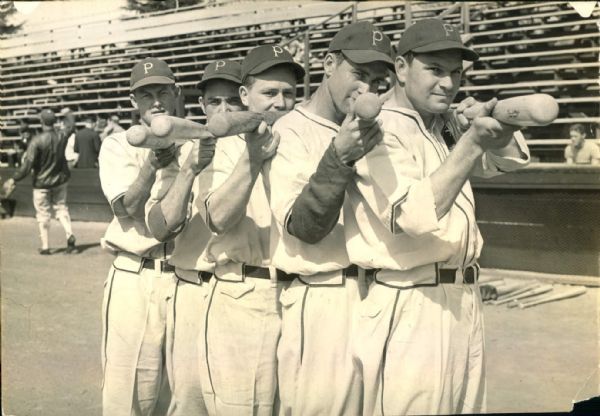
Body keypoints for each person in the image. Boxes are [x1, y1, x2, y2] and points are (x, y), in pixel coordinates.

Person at [345, 18, 530, 415]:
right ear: (400, 68)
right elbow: (412, 217)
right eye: (435, 69)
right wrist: (471, 141)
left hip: (462, 298)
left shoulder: (438, 126)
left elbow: (508, 163)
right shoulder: (378, 127)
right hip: (409, 299)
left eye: (455, 73)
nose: (448, 83)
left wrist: (486, 127)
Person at [268, 21, 392, 415]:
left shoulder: (373, 128)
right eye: (358, 74)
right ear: (328, 64)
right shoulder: (290, 130)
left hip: (376, 295)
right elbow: (304, 228)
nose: (366, 89)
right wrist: (337, 157)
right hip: (321, 295)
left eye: (377, 80)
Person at [193, 46, 303, 415]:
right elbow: (217, 219)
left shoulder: (302, 140)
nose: (281, 103)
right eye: (270, 93)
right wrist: (252, 158)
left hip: (299, 293)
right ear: (245, 96)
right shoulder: (221, 143)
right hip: (242, 291)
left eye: (288, 93)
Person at [143, 58, 243, 415]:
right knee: (188, 401)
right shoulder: (184, 147)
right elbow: (159, 225)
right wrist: (189, 169)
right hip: (191, 286)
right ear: (201, 105)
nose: (223, 110)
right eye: (214, 101)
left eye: (232, 100)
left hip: (240, 290)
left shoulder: (257, 149)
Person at [98, 57, 180, 416]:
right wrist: (153, 162)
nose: (156, 101)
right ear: (134, 102)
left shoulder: (196, 139)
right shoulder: (117, 144)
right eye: (146, 94)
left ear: (176, 93)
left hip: (187, 278)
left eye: (162, 91)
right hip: (136, 273)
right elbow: (126, 210)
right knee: (130, 395)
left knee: (180, 392)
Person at [2, 109, 77, 255]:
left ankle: (45, 246)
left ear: (41, 122)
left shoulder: (36, 140)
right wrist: (68, 113)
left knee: (43, 214)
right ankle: (69, 235)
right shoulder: (62, 135)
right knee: (61, 208)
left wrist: (14, 178)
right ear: (54, 121)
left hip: (41, 183)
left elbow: (27, 165)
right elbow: (71, 125)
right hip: (60, 180)